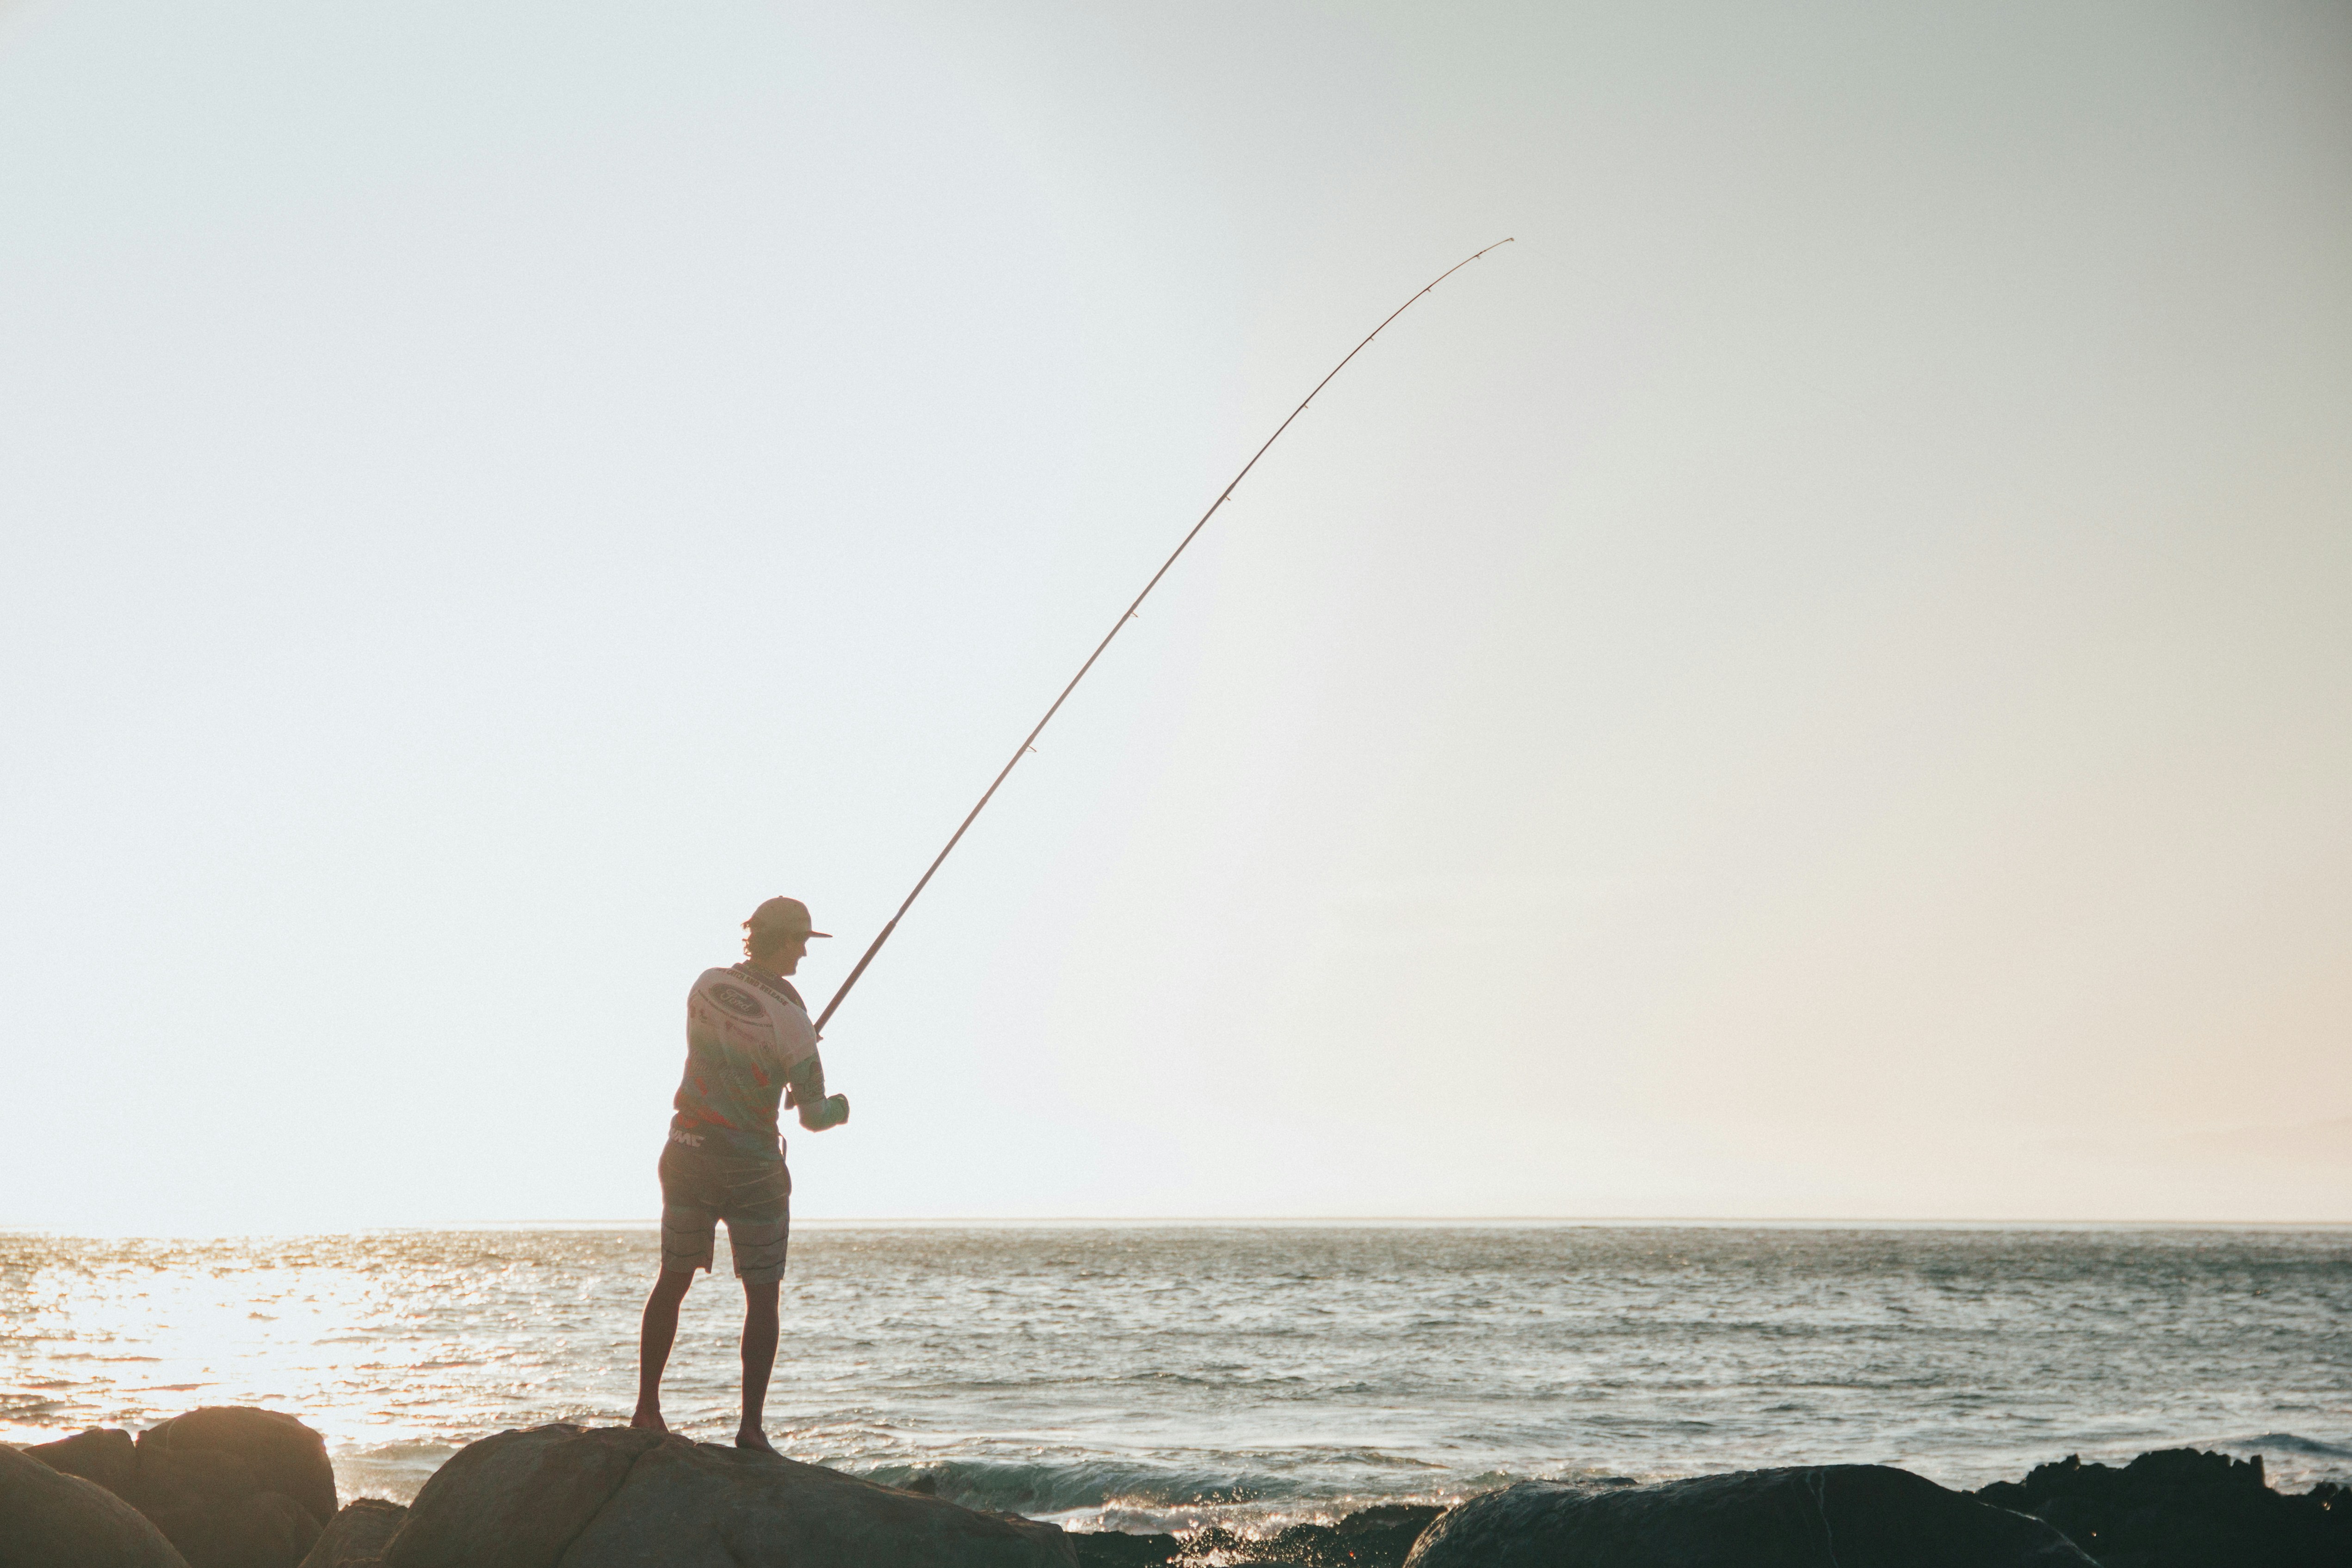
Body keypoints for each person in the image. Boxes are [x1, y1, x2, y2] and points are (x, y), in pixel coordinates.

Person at [632, 895, 850, 1453]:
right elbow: (814, 1117)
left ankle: (647, 1409)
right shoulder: (795, 1025)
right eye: (801, 940)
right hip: (751, 1169)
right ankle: (751, 1430)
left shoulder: (704, 985)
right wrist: (842, 1104)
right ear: (779, 940)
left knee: (672, 1281)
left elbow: (737, 1040)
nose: (805, 951)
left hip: (687, 1153)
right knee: (762, 1296)